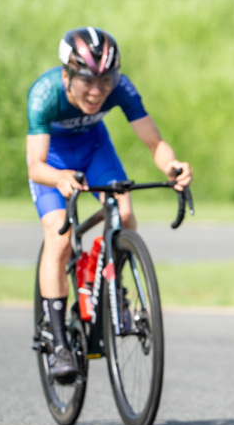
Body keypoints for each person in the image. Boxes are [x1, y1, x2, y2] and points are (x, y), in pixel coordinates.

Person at [27, 26, 193, 382]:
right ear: (67, 74)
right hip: (52, 163)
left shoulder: (121, 88)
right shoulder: (44, 94)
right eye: (87, 80)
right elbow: (35, 165)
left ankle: (115, 292)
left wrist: (171, 166)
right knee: (58, 238)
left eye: (105, 81)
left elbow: (154, 141)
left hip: (94, 149)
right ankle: (58, 345)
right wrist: (59, 178)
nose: (97, 91)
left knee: (125, 212)